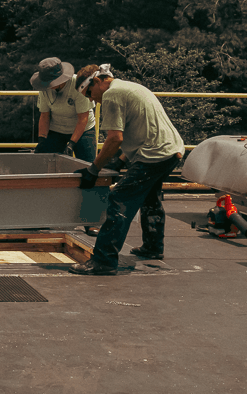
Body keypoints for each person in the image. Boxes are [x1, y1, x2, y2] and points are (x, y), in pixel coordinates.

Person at [69, 63, 185, 276]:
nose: (91, 100)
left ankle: (104, 261)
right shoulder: (129, 87)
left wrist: (94, 169)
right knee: (150, 197)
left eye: (89, 94)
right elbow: (140, 128)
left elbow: (115, 138)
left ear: (97, 82)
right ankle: (153, 247)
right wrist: (121, 160)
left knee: (119, 200)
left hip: (154, 154)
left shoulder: (112, 95)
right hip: (171, 150)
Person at [30, 57, 96, 162]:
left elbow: (83, 118)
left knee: (87, 165)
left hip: (83, 129)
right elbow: (44, 115)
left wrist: (71, 144)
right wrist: (42, 140)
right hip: (56, 129)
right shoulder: (44, 89)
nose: (48, 86)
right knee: (46, 163)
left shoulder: (77, 84)